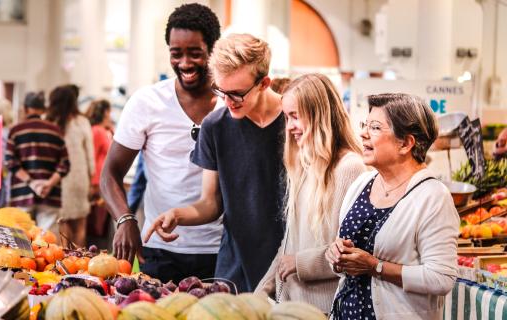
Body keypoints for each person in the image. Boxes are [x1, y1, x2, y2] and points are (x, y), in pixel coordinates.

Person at [145, 33, 285, 292]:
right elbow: (211, 203)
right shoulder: (215, 126)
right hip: (235, 266)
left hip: (289, 264)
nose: (227, 101)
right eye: (220, 90)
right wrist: (177, 214)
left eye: (236, 94)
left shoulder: (294, 120)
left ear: (264, 83)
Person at [100, 3, 223, 284]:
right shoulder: (147, 103)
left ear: (213, 50)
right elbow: (110, 174)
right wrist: (125, 219)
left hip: (221, 249)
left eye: (195, 53)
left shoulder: (231, 104)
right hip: (159, 249)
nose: (185, 63)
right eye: (176, 53)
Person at [325, 93, 459, 319]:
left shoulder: (433, 197)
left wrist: (375, 267)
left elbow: (441, 278)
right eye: (365, 125)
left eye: (375, 127)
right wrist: (336, 256)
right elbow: (343, 254)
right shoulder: (362, 183)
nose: (363, 133)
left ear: (406, 143)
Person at [254, 74, 365, 311]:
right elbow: (289, 244)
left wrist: (301, 263)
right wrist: (260, 291)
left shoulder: (350, 168)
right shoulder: (304, 165)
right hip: (290, 306)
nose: (289, 127)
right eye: (286, 117)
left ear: (320, 114)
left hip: (325, 309)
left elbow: (353, 252)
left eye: (295, 116)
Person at [6, 92, 70, 235]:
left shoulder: (16, 131)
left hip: (22, 193)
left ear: (25, 108)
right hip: (50, 194)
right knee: (48, 245)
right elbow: (65, 164)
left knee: (21, 242)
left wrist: (32, 183)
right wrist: (48, 184)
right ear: (43, 110)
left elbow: (10, 162)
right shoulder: (56, 131)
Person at [46, 86, 95, 248]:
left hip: (57, 179)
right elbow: (90, 155)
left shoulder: (48, 122)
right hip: (79, 179)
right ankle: (80, 262)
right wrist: (92, 175)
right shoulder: (82, 122)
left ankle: (64, 261)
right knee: (80, 226)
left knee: (62, 223)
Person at [86, 99, 113, 238]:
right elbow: (93, 157)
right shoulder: (97, 131)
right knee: (96, 224)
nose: (110, 115)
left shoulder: (104, 131)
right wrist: (93, 184)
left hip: (103, 181)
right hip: (97, 183)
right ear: (104, 112)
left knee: (102, 223)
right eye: (109, 111)